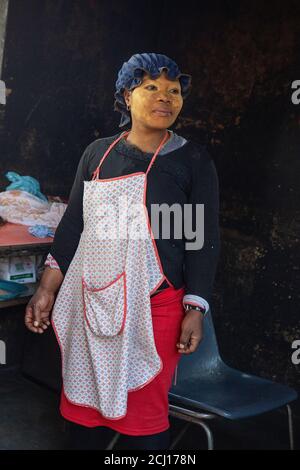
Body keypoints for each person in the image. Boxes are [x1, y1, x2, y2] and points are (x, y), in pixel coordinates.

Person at [24, 53, 220, 450]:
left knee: (146, 421)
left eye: (174, 90)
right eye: (151, 88)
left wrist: (195, 307)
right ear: (126, 95)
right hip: (92, 303)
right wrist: (47, 288)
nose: (165, 98)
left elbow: (201, 240)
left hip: (157, 308)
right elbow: (74, 226)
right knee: (83, 416)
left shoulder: (192, 161)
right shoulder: (98, 154)